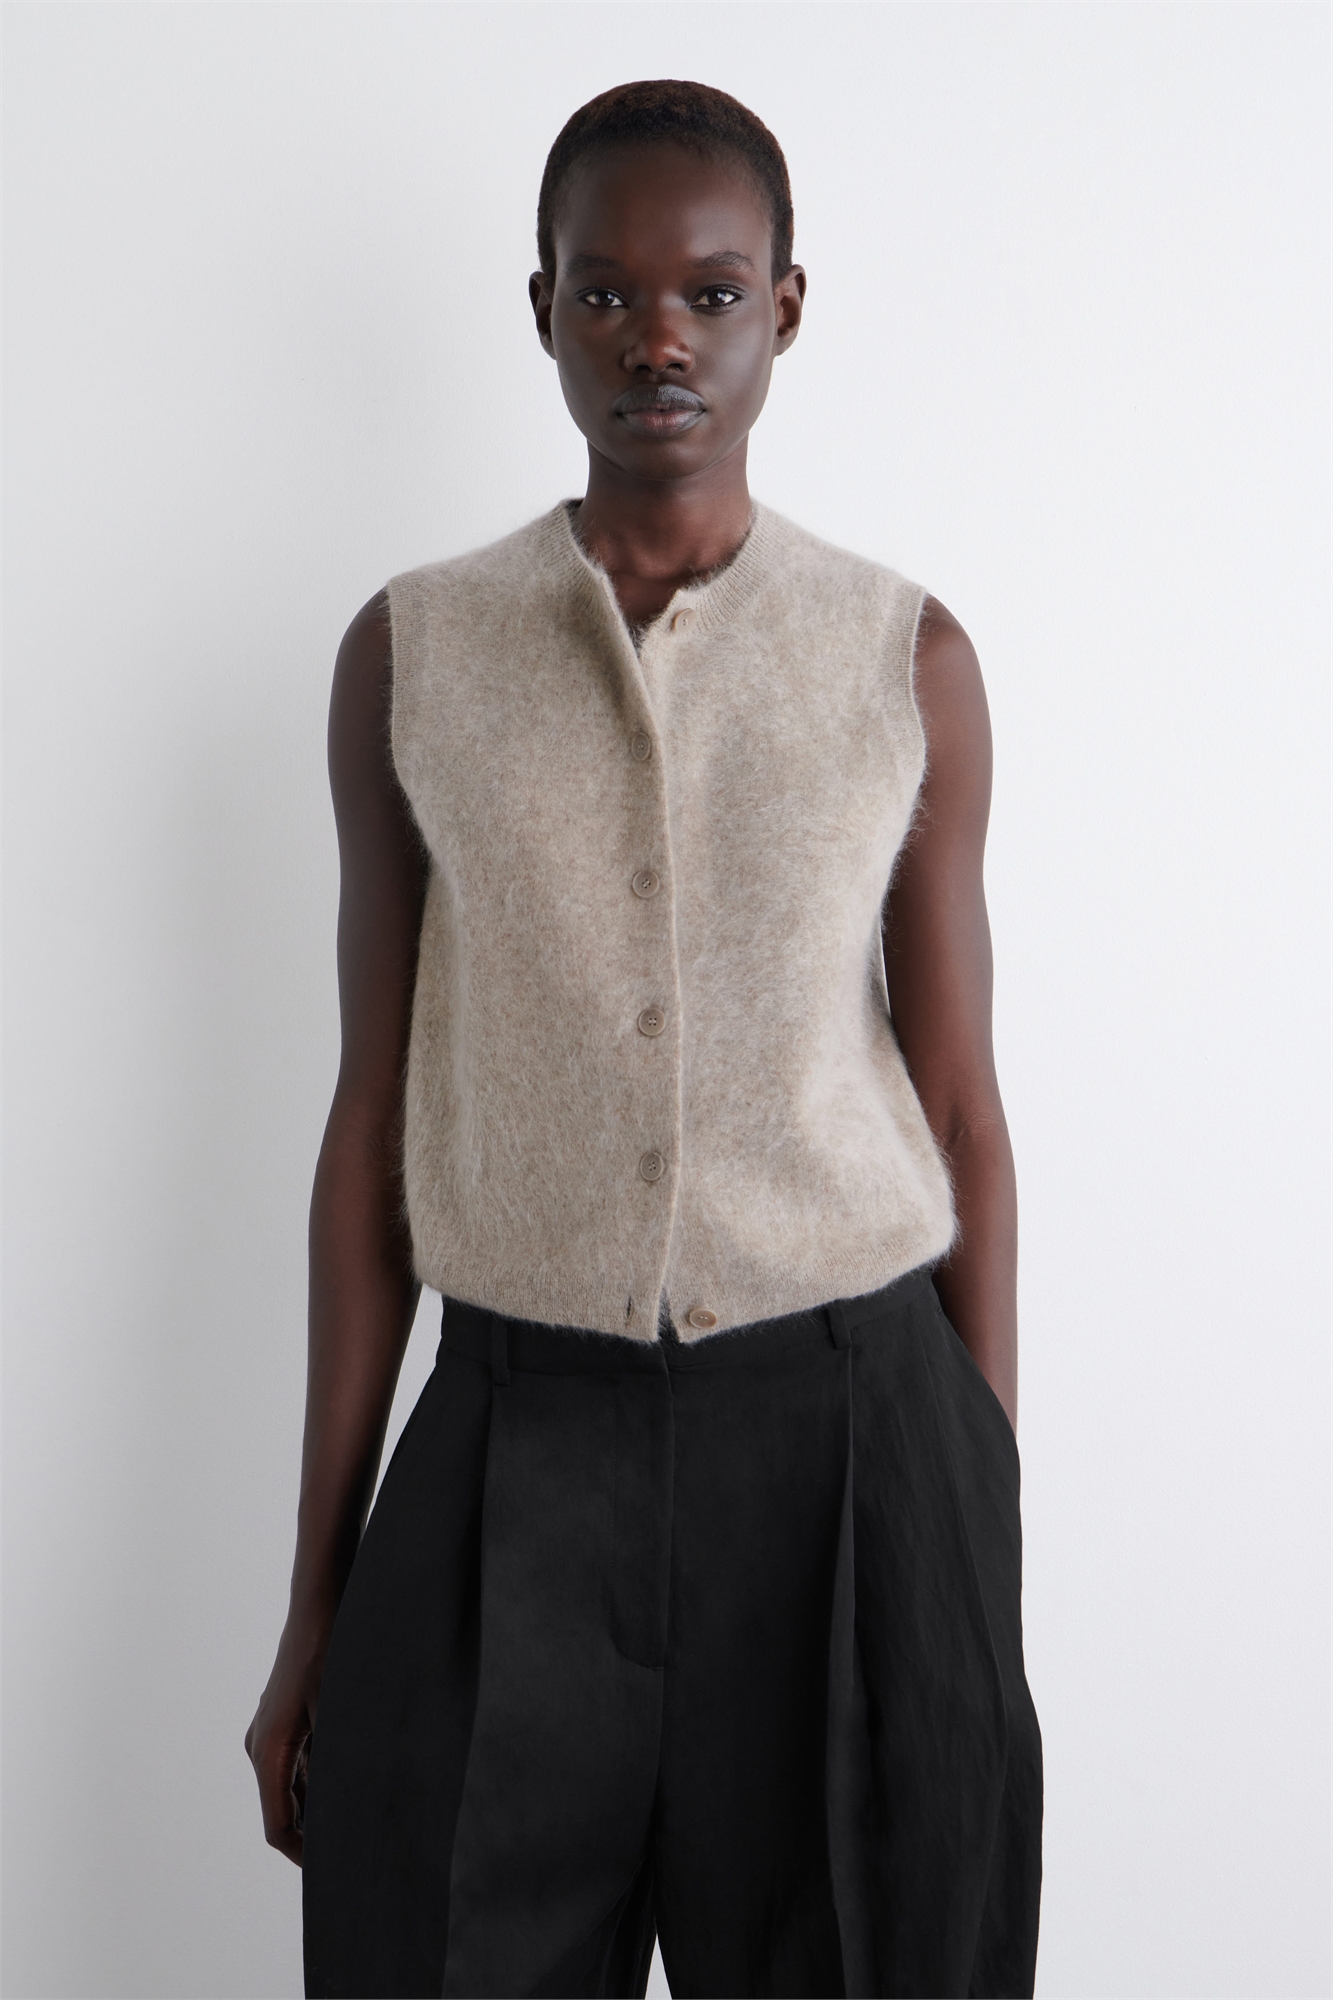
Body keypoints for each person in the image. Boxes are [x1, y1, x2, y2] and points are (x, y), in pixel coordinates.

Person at [245, 78, 1042, 2000]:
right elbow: (372, 1123)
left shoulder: (903, 659)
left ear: (785, 307)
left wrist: (973, 1543)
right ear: (542, 310)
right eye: (604, 294)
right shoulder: (412, 657)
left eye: (709, 292)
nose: (657, 338)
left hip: (851, 1446)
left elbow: (958, 1112)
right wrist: (315, 1599)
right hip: (511, 1447)